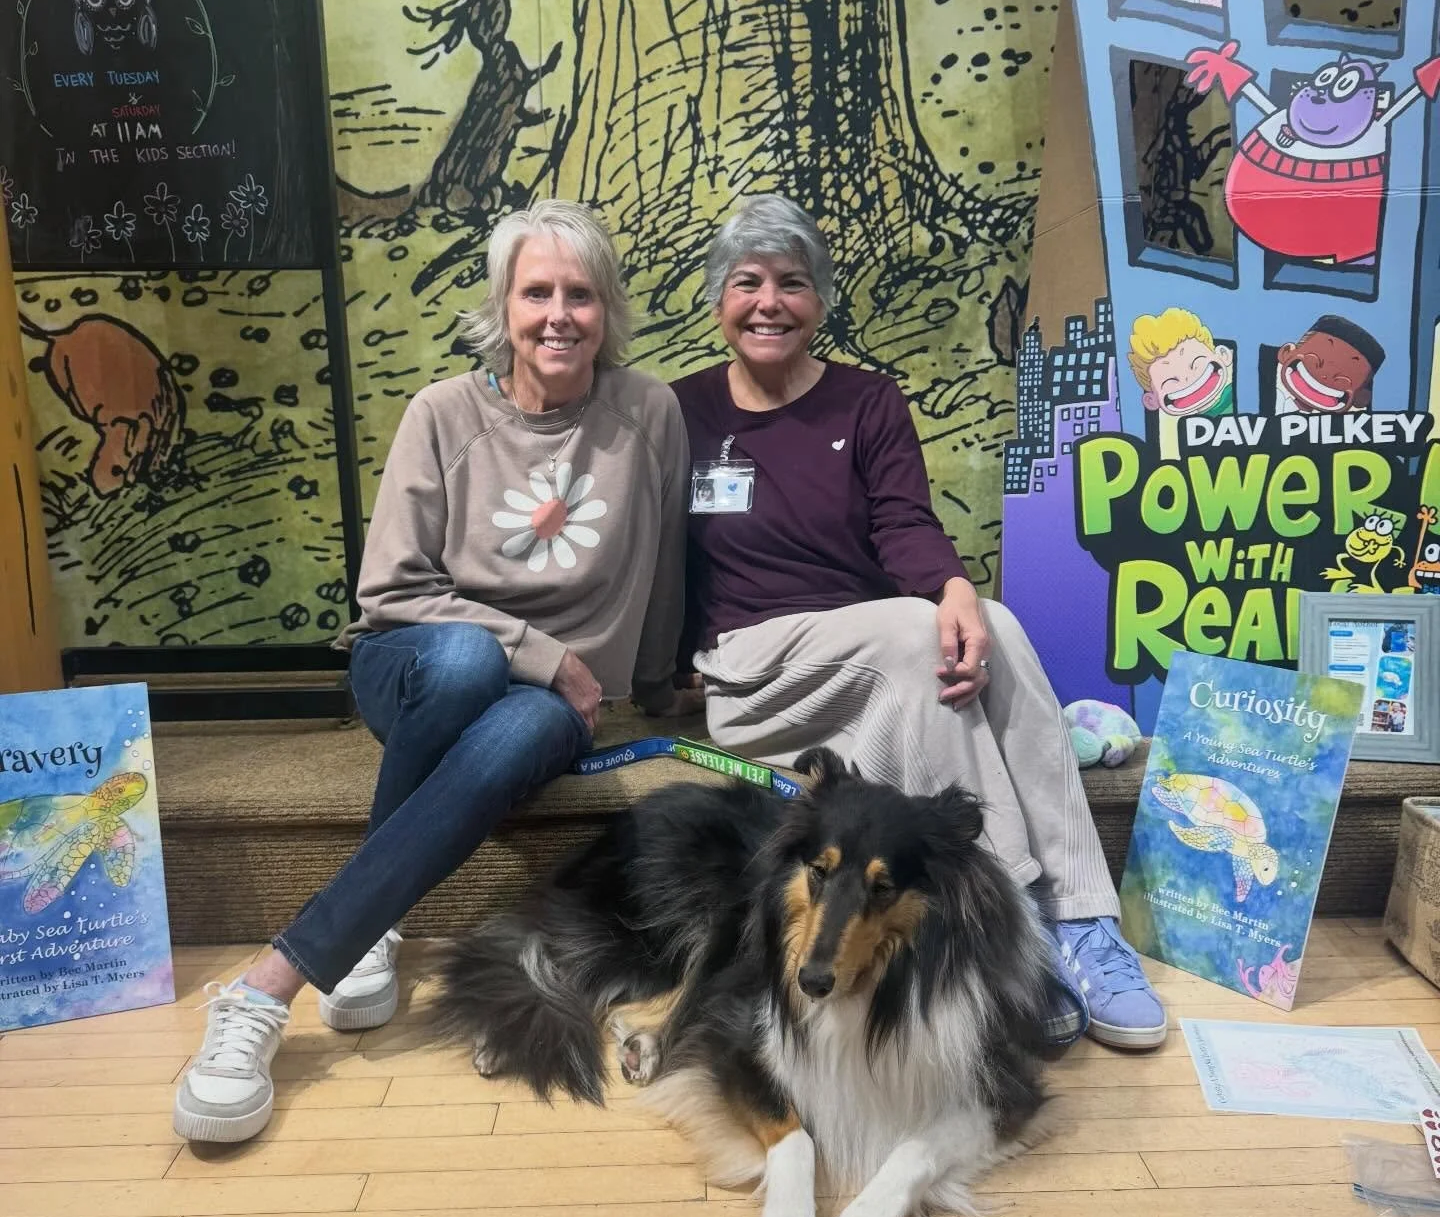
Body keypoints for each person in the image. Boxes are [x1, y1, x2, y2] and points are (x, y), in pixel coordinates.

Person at [174, 201, 693, 1143]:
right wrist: (543, 653)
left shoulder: (648, 414)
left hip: (549, 705)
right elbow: (390, 593)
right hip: (415, 663)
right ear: (503, 305)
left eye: (581, 294)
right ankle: (285, 976)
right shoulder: (443, 413)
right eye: (537, 292)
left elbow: (666, 569)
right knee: (463, 662)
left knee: (530, 721)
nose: (558, 316)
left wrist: (657, 686)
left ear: (609, 309)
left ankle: (283, 977)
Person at [673, 195, 1167, 1051]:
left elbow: (903, 523)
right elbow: (644, 549)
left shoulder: (867, 402)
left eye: (793, 283)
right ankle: (1010, 928)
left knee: (995, 627)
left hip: (871, 652)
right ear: (719, 300)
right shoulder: (677, 411)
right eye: (746, 282)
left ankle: (1084, 918)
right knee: (913, 632)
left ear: (820, 301)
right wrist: (646, 674)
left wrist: (956, 588)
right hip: (757, 672)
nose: (768, 302)